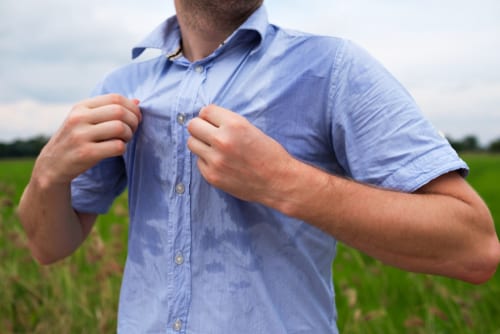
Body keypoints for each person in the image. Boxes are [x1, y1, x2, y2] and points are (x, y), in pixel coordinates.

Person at [18, 0, 500, 333]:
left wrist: (284, 182)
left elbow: (474, 246)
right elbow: (48, 246)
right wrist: (47, 174)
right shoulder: (123, 85)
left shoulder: (333, 69)